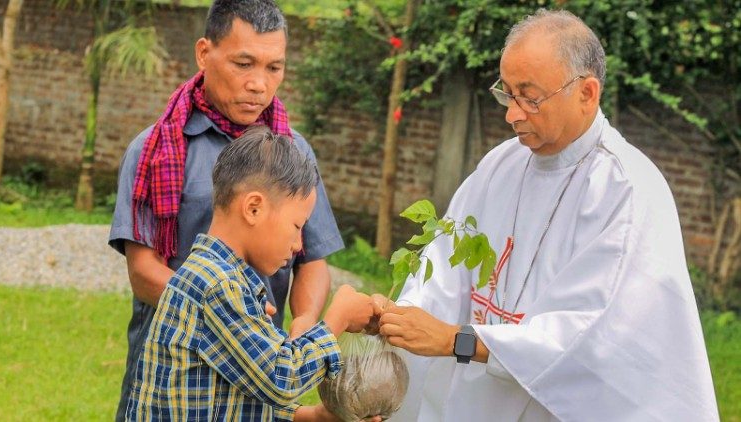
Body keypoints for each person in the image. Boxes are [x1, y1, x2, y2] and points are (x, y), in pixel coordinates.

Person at [377, 9, 719, 421]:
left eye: (530, 97)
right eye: (506, 93)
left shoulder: (625, 192)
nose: (512, 114)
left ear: (587, 93)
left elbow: (591, 338)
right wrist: (397, 318)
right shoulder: (499, 167)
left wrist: (459, 340)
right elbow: (443, 271)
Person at [108, 1, 343, 420]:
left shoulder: (294, 153)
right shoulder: (153, 151)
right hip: (175, 376)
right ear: (204, 53)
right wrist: (235, 317)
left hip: (260, 368)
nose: (259, 84)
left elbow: (312, 259)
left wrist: (305, 320)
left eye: (274, 68)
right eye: (244, 63)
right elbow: (144, 272)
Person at [125, 126, 375, 421]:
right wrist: (338, 319)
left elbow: (237, 397)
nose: (298, 245)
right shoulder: (217, 285)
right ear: (253, 208)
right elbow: (281, 377)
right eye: (297, 227)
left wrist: (313, 417)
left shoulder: (225, 279)